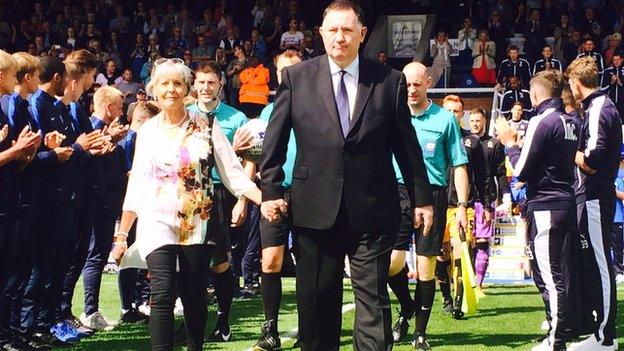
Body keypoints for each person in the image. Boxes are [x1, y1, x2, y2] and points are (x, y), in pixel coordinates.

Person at [259, 1, 434, 350]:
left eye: (347, 30)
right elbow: (274, 142)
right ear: (321, 33)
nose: (340, 37)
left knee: (372, 305)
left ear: (362, 34)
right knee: (317, 304)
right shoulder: (296, 78)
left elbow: (407, 147)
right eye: (333, 30)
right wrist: (271, 190)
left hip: (372, 210)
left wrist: (423, 200)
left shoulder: (390, 81)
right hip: (313, 209)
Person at [111, 58, 264, 351]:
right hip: (156, 221)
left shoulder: (205, 125)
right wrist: (121, 235)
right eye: (165, 84)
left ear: (186, 88)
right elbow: (137, 184)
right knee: (163, 292)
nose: (171, 90)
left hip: (195, 220)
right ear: (155, 89)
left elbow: (232, 171)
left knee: (194, 295)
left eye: (177, 83)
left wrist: (262, 200)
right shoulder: (147, 131)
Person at [496, 69, 580, 351]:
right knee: (556, 272)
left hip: (546, 204)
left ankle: (556, 339)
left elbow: (520, 170)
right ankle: (559, 332)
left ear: (534, 95)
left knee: (548, 274)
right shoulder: (569, 121)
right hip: (564, 200)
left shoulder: (541, 120)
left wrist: (509, 144)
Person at [387, 62, 468, 349]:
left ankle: (420, 333)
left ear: (429, 82)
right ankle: (407, 307)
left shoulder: (444, 120)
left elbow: (459, 164)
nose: (411, 89)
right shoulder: (393, 116)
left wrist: (460, 206)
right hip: (396, 194)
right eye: (406, 84)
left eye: (417, 84)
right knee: (389, 265)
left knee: (425, 269)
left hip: (433, 196)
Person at [567, 56, 621, 351]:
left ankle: (606, 337)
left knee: (602, 264)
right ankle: (600, 332)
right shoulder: (597, 106)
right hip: (594, 195)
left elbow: (592, 161)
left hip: (596, 195)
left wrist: (567, 150)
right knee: (595, 263)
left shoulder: (600, 107)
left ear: (576, 83)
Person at [252, 49, 301, 351]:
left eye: (294, 69)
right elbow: (257, 157)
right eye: (284, 70)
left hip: (311, 193)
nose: (289, 75)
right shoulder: (267, 113)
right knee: (270, 261)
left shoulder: (318, 106)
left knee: (310, 264)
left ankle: (310, 326)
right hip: (274, 193)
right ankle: (270, 329)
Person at [0, 50, 43, 351]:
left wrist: (26, 152)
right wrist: (17, 151)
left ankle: (9, 334)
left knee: (11, 273)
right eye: (13, 74)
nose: (17, 80)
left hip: (10, 197)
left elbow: (14, 163)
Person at [440, 94, 493, 319]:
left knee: (462, 254)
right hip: (437, 206)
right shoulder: (432, 138)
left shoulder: (471, 142)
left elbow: (483, 176)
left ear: (462, 114)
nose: (453, 114)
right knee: (441, 256)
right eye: (449, 110)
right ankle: (446, 297)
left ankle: (459, 301)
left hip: (464, 207)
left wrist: (488, 205)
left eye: (457, 111)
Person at [468, 108, 510, 288]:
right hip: (466, 198)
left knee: (482, 241)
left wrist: (506, 194)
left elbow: (501, 172)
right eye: (472, 121)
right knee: (466, 241)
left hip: (486, 198)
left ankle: (478, 283)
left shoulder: (494, 144)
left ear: (484, 121)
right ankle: (464, 281)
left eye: (478, 120)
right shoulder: (465, 142)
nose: (475, 124)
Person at [601, 52, 624, 122]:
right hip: (611, 103)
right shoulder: (607, 72)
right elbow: (602, 89)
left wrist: (620, 84)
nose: (616, 62)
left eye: (618, 60)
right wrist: (611, 83)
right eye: (614, 60)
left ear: (622, 60)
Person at [613, 164, 624, 284]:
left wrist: (612, 191)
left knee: (617, 247)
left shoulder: (619, 178)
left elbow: (622, 195)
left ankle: (619, 271)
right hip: (606, 216)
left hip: (617, 217)